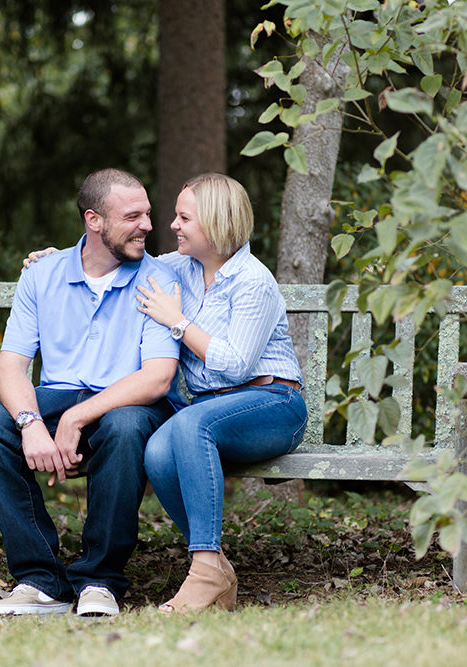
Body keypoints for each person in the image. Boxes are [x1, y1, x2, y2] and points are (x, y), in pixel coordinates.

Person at [0, 168, 181, 617]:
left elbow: (158, 378)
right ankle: (41, 580)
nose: (147, 225)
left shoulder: (158, 279)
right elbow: (12, 366)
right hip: (57, 398)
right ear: (94, 220)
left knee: (124, 426)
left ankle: (100, 580)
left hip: (128, 401)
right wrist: (29, 425)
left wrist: (76, 418)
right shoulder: (43, 274)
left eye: (148, 214)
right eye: (133, 216)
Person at [135, 173, 308, 613]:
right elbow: (123, 259)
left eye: (184, 217)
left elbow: (235, 364)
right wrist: (59, 257)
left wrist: (178, 321)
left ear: (215, 223)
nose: (173, 225)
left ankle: (204, 570)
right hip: (212, 414)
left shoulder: (253, 280)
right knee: (156, 451)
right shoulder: (179, 267)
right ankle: (214, 571)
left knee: (189, 424)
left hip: (273, 405)